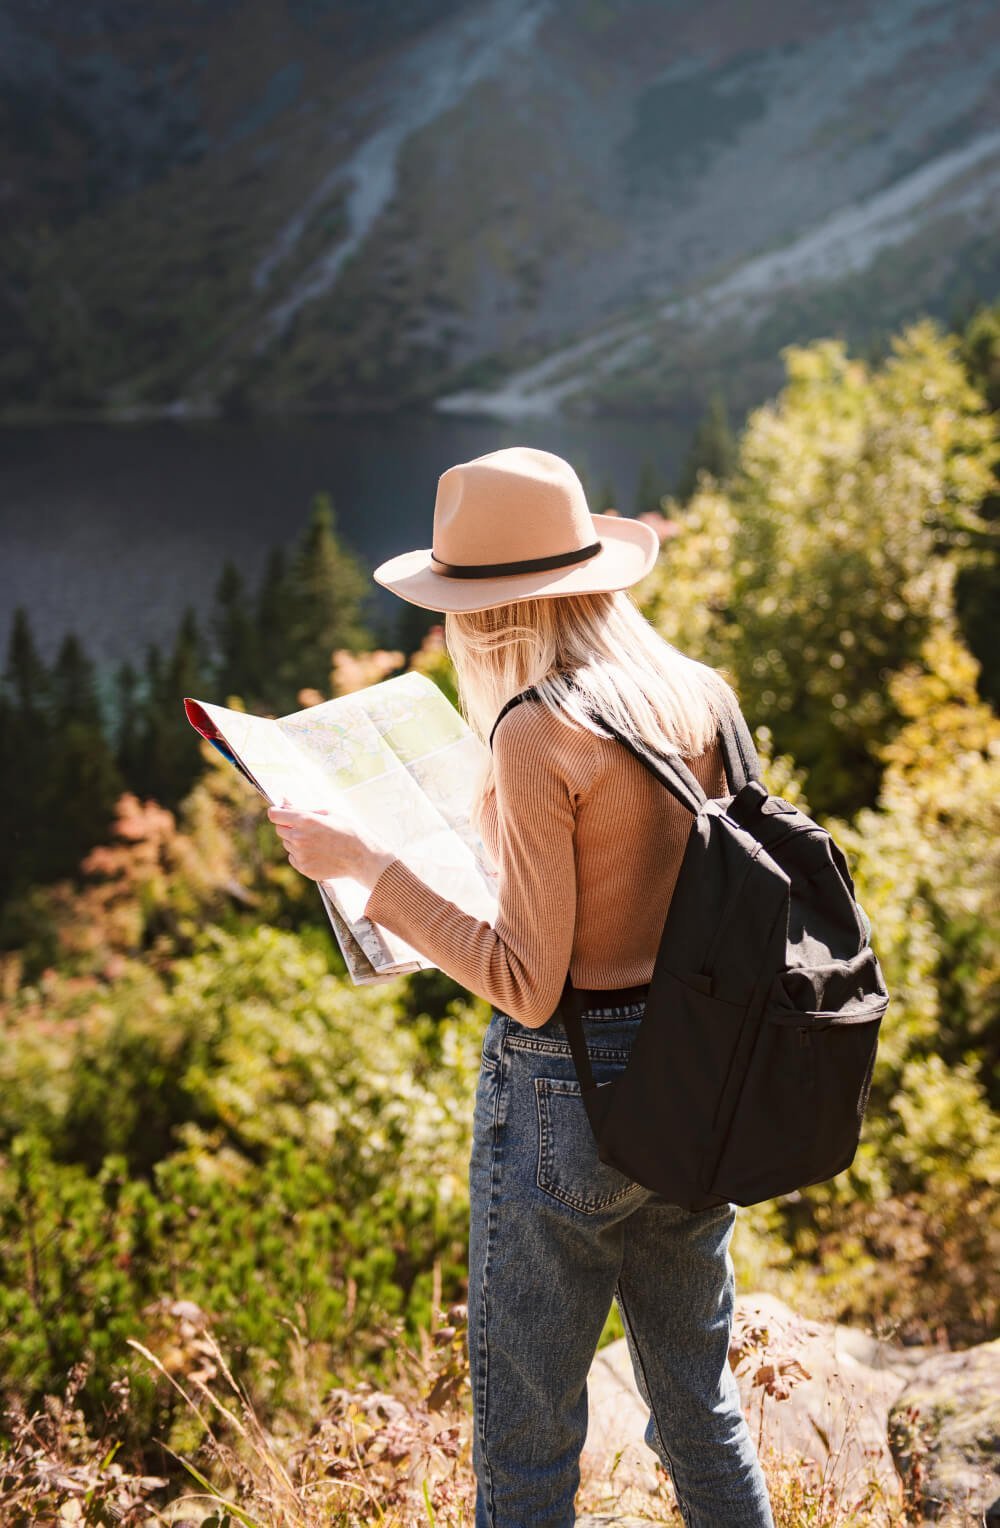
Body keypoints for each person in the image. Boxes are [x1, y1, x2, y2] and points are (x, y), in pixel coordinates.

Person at [268, 446, 776, 1528]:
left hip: (570, 1093)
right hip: (704, 1075)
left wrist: (362, 864)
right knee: (697, 1404)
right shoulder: (695, 693)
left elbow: (525, 981)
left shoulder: (539, 728)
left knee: (527, 1435)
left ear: (489, 611)